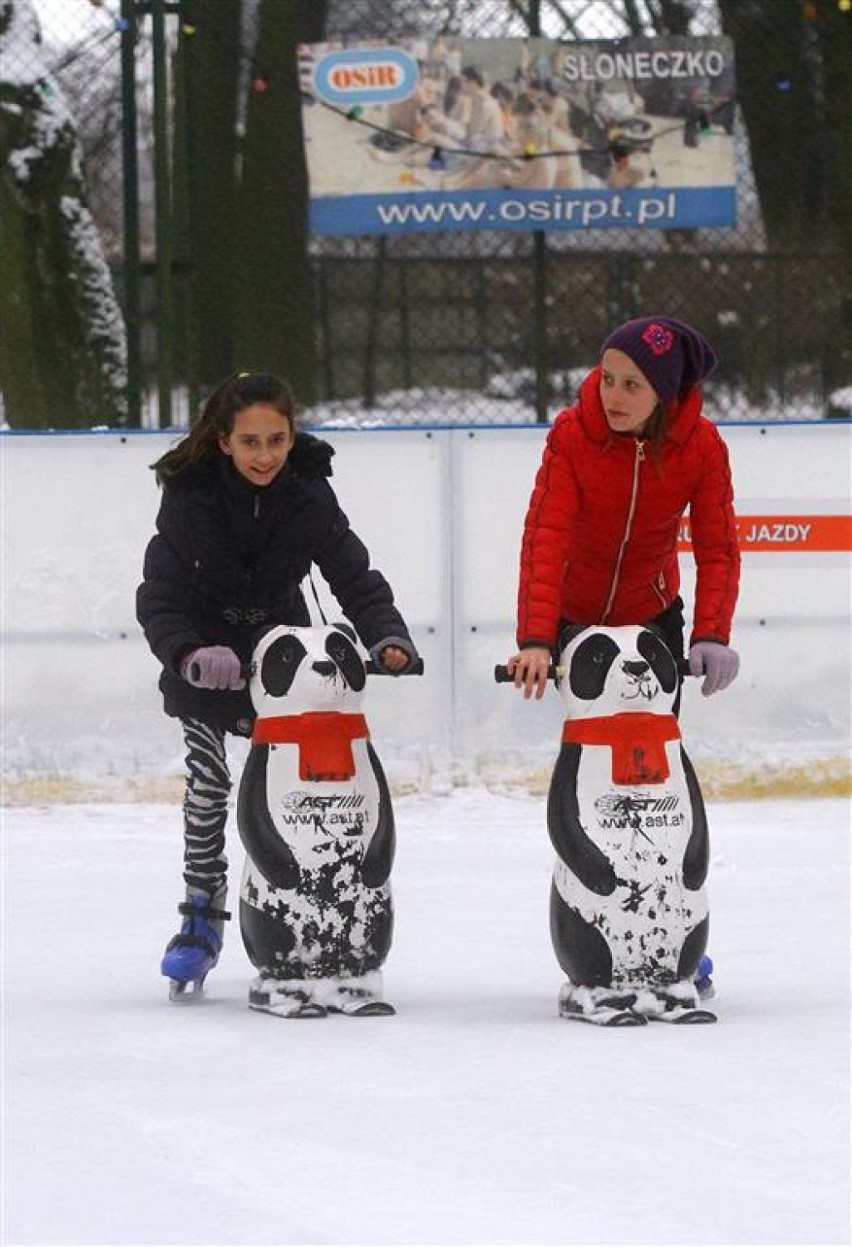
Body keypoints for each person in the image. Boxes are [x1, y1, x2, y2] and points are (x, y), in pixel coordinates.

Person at [137, 372, 419, 990]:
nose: (265, 456)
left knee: (299, 785)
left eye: (276, 440)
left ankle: (316, 897)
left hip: (283, 663)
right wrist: (189, 652)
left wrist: (387, 635)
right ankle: (201, 914)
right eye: (250, 442)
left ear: (292, 438)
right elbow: (159, 594)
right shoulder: (190, 498)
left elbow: (353, 573)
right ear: (223, 443)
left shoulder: (307, 495)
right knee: (211, 779)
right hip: (207, 660)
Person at [506, 316, 740, 703]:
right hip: (575, 617)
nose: (612, 397)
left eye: (632, 385)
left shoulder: (703, 447)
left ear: (665, 393)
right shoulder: (572, 435)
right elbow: (545, 538)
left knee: (656, 744)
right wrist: (537, 639)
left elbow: (719, 550)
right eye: (607, 379)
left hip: (652, 614)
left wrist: (712, 634)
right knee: (596, 743)